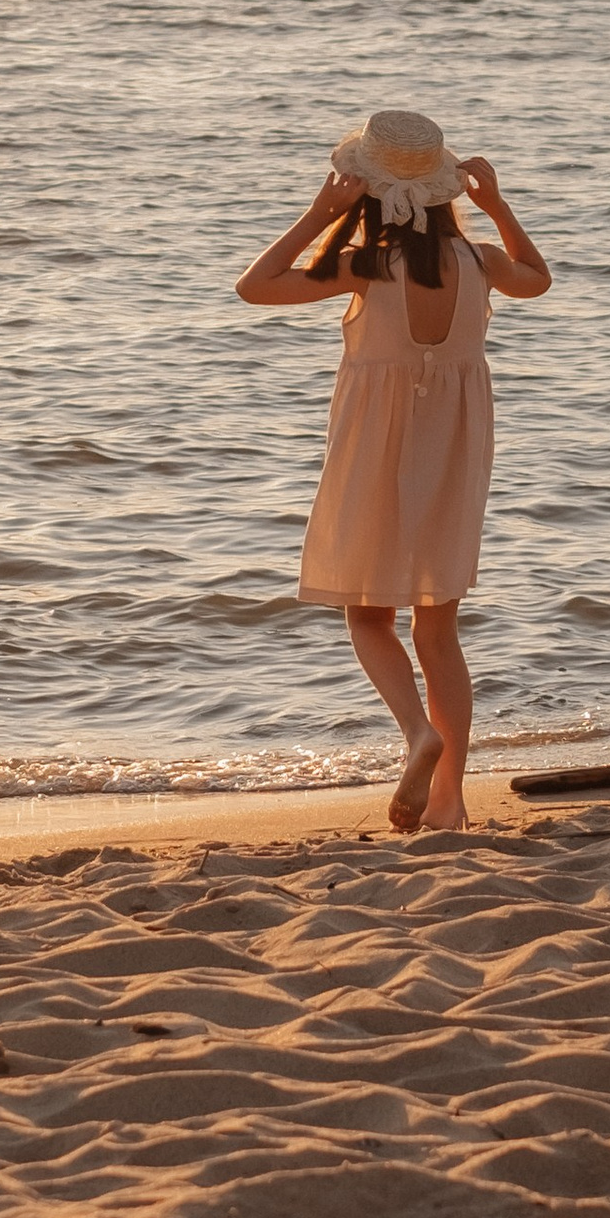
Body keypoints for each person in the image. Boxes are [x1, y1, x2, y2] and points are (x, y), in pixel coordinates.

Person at [236, 108, 551, 833]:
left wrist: (322, 210)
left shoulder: (364, 265)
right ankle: (450, 800)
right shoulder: (480, 266)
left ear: (369, 193)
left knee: (367, 613)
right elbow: (539, 277)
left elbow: (256, 286)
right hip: (455, 449)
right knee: (439, 632)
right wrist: (497, 207)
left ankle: (416, 732)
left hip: (371, 448)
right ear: (446, 195)